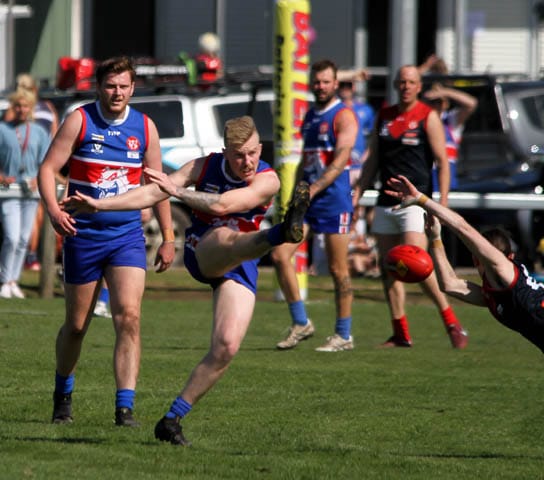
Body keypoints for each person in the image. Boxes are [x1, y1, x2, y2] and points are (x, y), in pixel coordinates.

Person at [62, 115, 310, 446]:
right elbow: (151, 193)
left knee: (226, 347)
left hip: (240, 263)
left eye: (252, 153)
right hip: (202, 248)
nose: (247, 161)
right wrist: (99, 204)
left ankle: (172, 419)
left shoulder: (269, 179)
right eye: (238, 155)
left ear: (260, 149)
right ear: (225, 152)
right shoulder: (203, 166)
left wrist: (176, 190)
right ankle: (279, 234)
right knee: (225, 236)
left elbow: (223, 203)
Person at [38, 56, 176, 427]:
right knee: (77, 326)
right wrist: (54, 211)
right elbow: (48, 169)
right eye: (111, 86)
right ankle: (63, 395)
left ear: (133, 88)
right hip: (83, 235)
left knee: (129, 317)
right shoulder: (80, 120)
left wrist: (168, 237)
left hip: (126, 236)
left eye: (123, 86)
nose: (117, 93)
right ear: (99, 87)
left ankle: (124, 408)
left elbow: (158, 186)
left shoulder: (144, 127)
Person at [353, 65, 468, 349]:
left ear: (419, 86)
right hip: (385, 202)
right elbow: (373, 160)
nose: (406, 86)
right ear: (396, 85)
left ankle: (452, 322)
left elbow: (442, 163)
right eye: (402, 82)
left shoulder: (428, 116)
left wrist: (441, 205)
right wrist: (357, 194)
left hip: (415, 202)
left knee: (417, 265)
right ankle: (400, 333)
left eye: (411, 82)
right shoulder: (384, 116)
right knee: (390, 268)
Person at [386, 174, 544, 353]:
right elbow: (449, 284)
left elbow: (462, 227)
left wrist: (421, 199)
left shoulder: (504, 270)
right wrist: (435, 238)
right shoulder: (493, 295)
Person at [272, 59, 359, 352]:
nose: (320, 86)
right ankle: (301, 322)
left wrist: (312, 189)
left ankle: (343, 335)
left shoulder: (344, 116)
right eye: (317, 81)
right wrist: (295, 194)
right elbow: (305, 161)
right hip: (308, 201)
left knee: (337, 269)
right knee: (280, 255)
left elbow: (339, 162)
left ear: (335, 83)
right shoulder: (309, 115)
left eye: (326, 81)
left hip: (334, 201)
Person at [4, 73, 60, 271]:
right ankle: (27, 258)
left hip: (37, 171)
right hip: (15, 179)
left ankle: (29, 258)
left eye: (27, 87)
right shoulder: (13, 113)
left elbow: (53, 139)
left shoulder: (46, 110)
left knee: (35, 219)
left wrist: (45, 172)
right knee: (16, 232)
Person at [0, 88, 50, 298]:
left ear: (31, 108)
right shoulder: (3, 129)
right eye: (18, 106)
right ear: (13, 107)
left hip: (31, 191)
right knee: (11, 237)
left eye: (25, 106)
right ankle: (4, 280)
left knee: (23, 238)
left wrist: (38, 178)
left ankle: (13, 280)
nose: (21, 109)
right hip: (8, 191)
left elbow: (47, 161)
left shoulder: (39, 132)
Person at [423, 82, 478, 191]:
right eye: (432, 102)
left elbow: (471, 104)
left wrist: (445, 92)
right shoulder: (420, 122)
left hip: (447, 187)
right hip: (423, 185)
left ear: (446, 104)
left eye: (439, 102)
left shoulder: (450, 121)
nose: (436, 105)